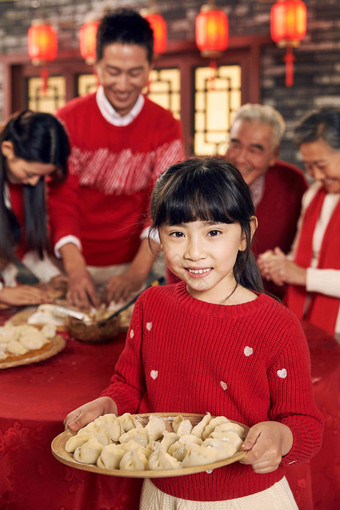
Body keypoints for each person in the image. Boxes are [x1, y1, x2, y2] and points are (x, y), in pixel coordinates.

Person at [64, 157, 323, 509]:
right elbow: (129, 386)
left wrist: (282, 436)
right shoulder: (151, 305)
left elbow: (305, 424)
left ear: (245, 233)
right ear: (159, 236)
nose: (194, 251)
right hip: (162, 494)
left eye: (213, 232)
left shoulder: (276, 324)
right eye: (177, 233)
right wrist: (108, 403)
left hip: (246, 498)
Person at [48, 8, 184, 310]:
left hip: (136, 261)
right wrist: (74, 269)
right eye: (113, 71)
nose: (123, 85)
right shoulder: (67, 121)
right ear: (96, 65)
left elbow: (163, 204)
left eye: (135, 73)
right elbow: (61, 200)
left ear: (150, 67)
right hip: (72, 262)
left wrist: (137, 272)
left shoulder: (165, 126)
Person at [258, 108, 340, 339]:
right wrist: (280, 264)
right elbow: (301, 255)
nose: (315, 174)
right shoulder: (314, 195)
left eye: (321, 165)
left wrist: (303, 276)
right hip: (305, 319)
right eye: (309, 165)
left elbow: (303, 273)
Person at [225, 103, 308, 299]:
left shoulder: (292, 181)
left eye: (255, 150)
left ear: (274, 154)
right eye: (235, 144)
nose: (241, 157)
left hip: (273, 301)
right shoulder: (205, 178)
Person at [0, 110, 70, 307]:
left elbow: (22, 242)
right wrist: (2, 292)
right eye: (30, 173)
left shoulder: (23, 184)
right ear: (7, 149)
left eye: (41, 177)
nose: (33, 182)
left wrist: (53, 276)